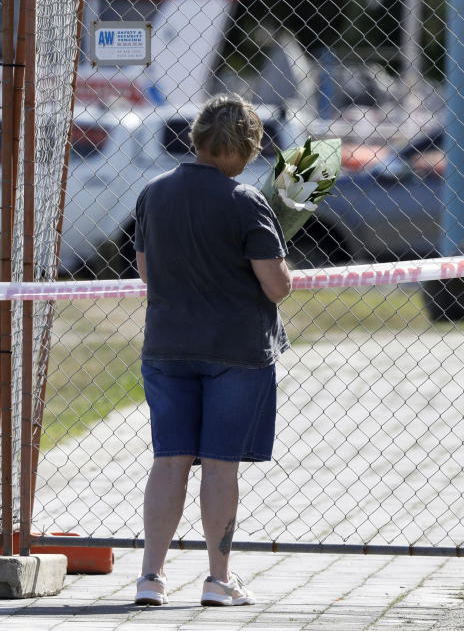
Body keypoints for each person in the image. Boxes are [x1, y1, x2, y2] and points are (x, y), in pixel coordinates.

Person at [132, 93, 292, 607]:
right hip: (236, 351)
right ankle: (218, 579)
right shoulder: (246, 200)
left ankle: (150, 578)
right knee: (221, 466)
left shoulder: (154, 193)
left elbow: (146, 270)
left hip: (168, 346)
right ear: (248, 147)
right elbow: (276, 285)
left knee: (169, 460)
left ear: (196, 136)